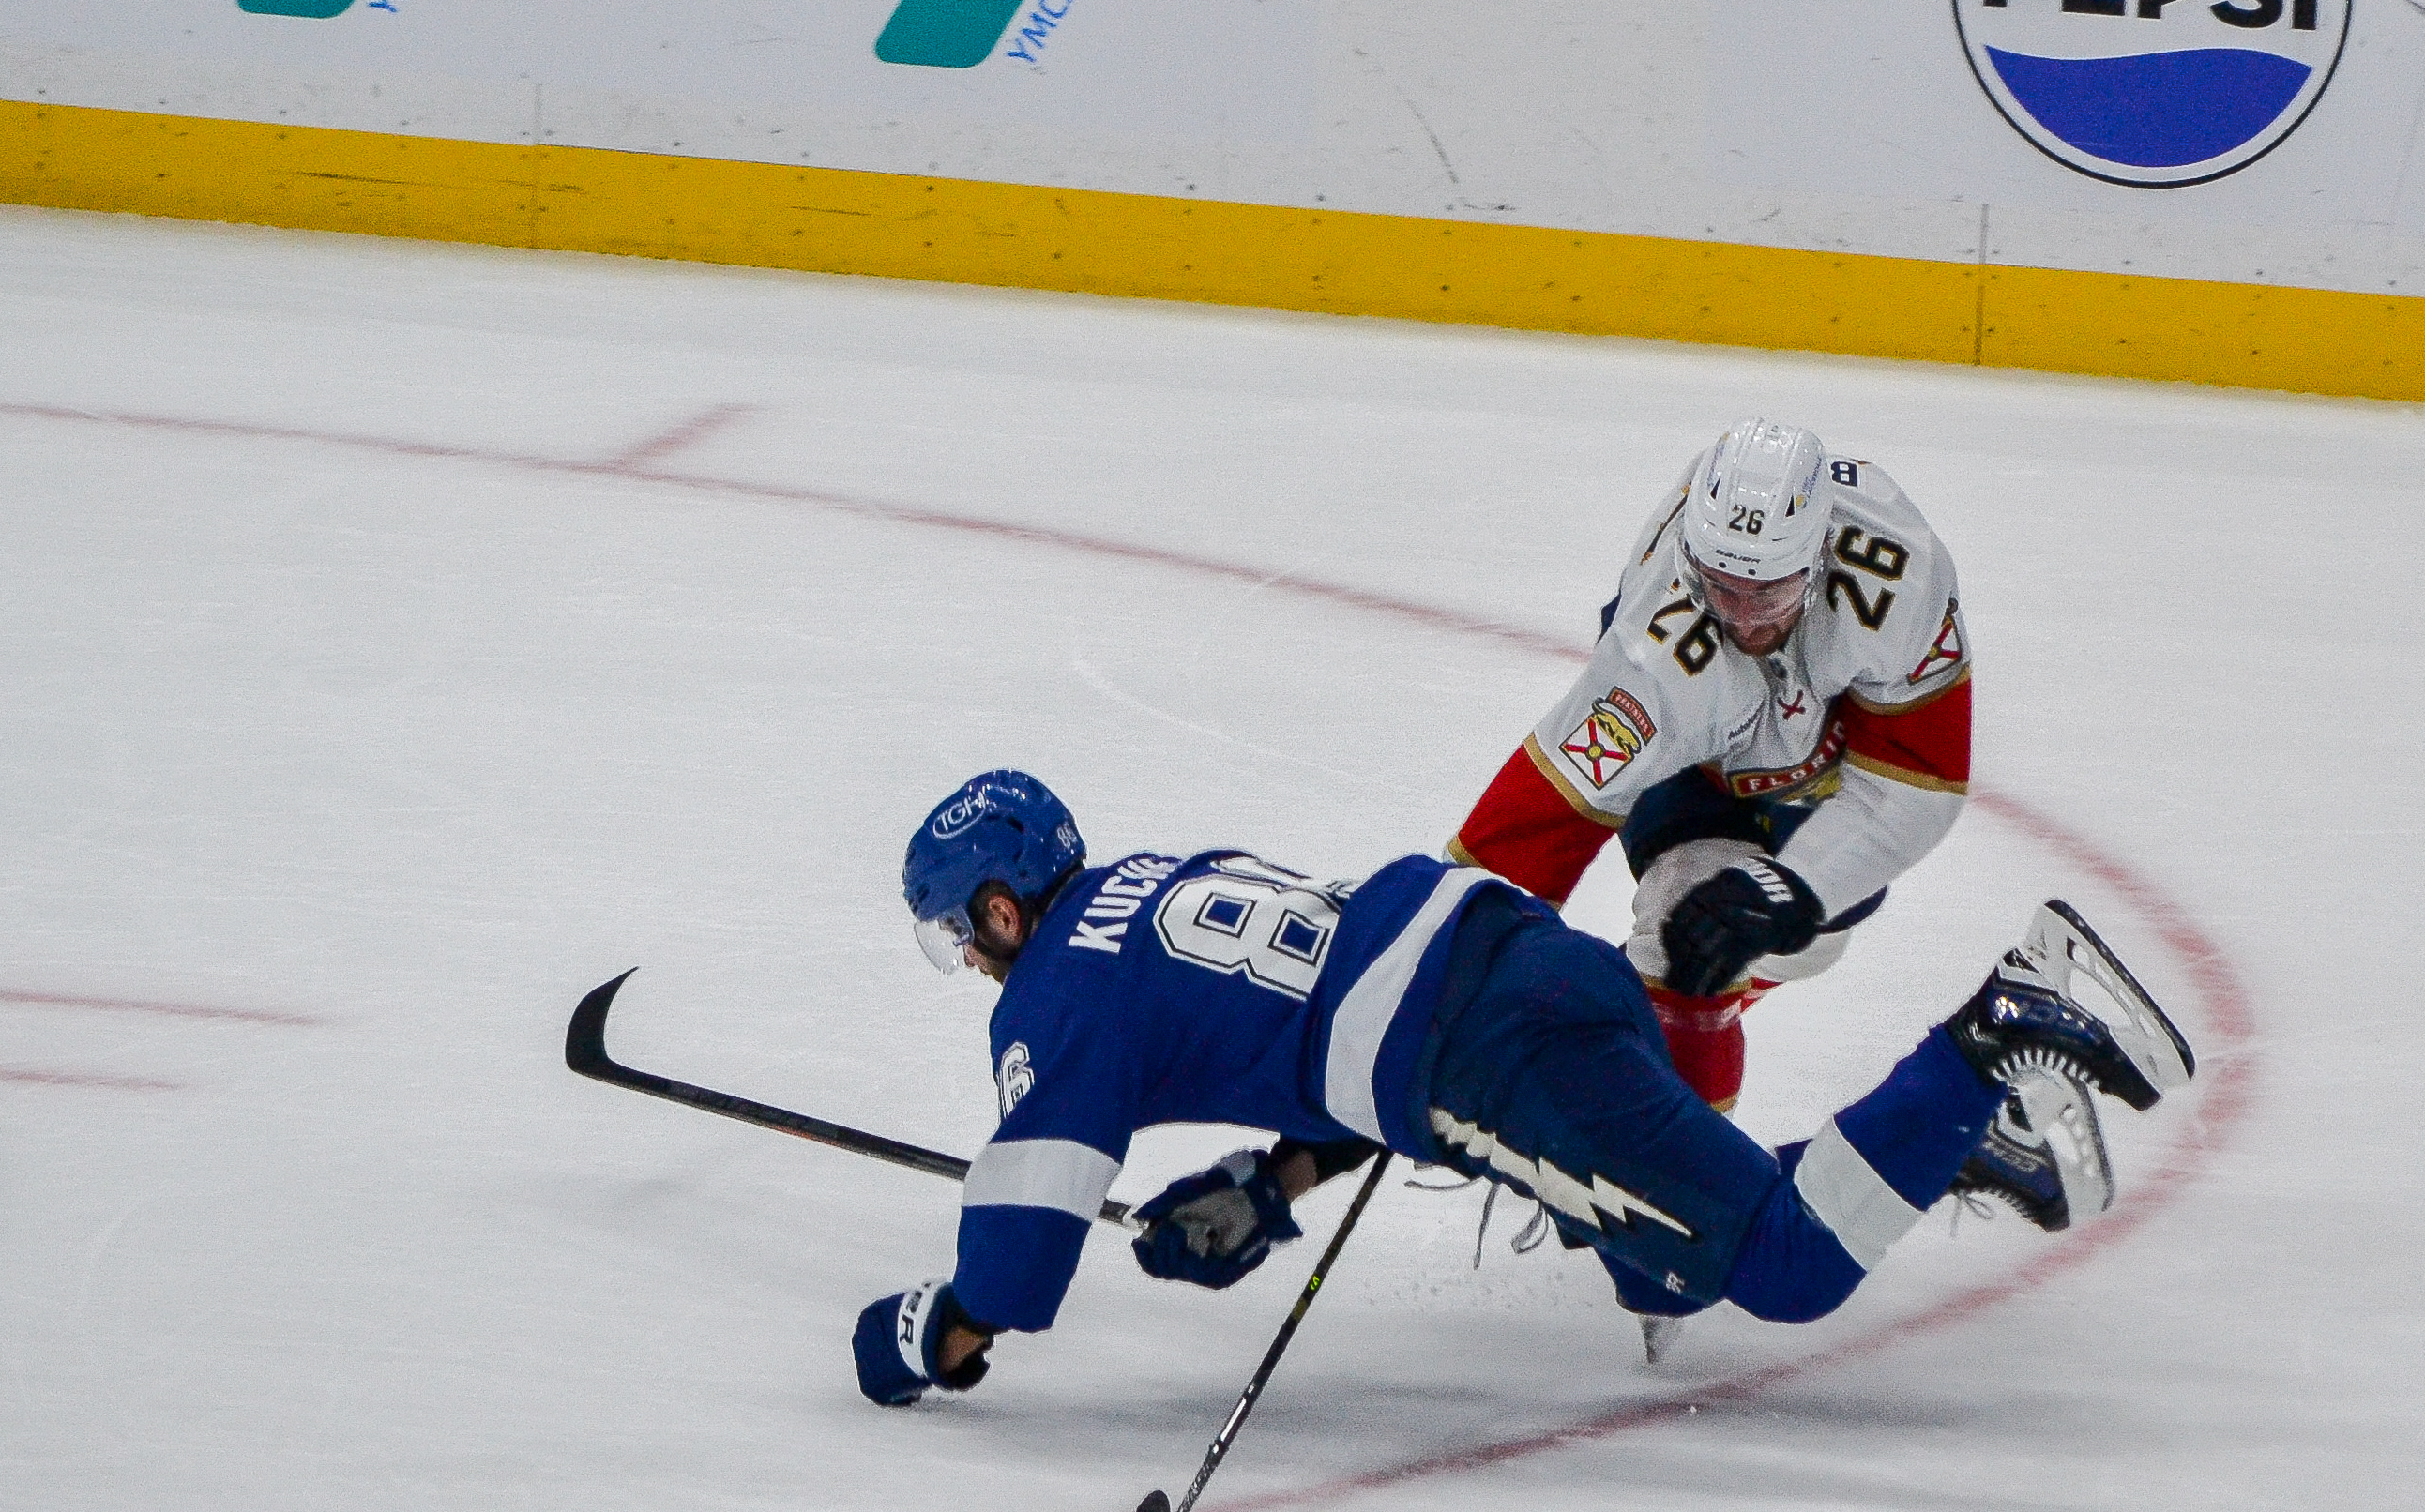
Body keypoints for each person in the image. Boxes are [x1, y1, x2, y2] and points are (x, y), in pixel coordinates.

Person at [849, 768, 2192, 1407]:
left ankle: (2002, 1025)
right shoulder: (1148, 879)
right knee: (1665, 1271)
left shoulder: (1054, 999)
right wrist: (1275, 1178)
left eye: (962, 930)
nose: (968, 958)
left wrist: (922, 1334)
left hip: (1489, 1060)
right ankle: (1948, 1145)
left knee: (1785, 1267)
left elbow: (1016, 1263)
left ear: (1002, 908)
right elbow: (1325, 1010)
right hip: (1517, 954)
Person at [1445, 417, 1982, 1133]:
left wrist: (1792, 886)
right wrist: (1434, 978)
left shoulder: (1899, 576)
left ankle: (1625, 1052)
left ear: (1819, 555)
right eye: (1720, 587)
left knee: (1809, 936)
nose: (1740, 619)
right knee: (1684, 933)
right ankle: (1674, 1165)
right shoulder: (1654, 655)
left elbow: (1916, 779)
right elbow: (1532, 826)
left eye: (1766, 594)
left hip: (1826, 745)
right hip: (1691, 760)